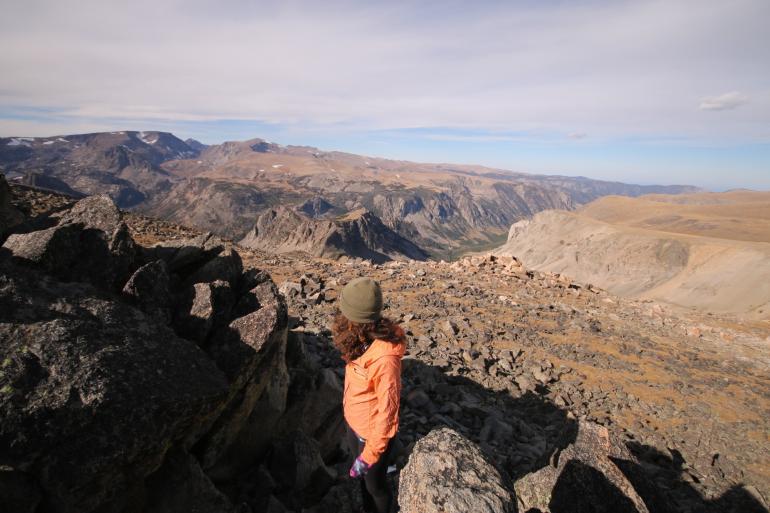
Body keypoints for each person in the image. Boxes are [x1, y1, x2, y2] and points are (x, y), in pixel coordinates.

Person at [332, 277, 405, 513]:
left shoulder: (385, 360)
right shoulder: (361, 338)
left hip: (372, 437)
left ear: (357, 320)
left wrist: (370, 454)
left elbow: (388, 411)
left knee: (376, 487)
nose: (340, 317)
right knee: (364, 482)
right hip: (356, 427)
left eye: (345, 312)